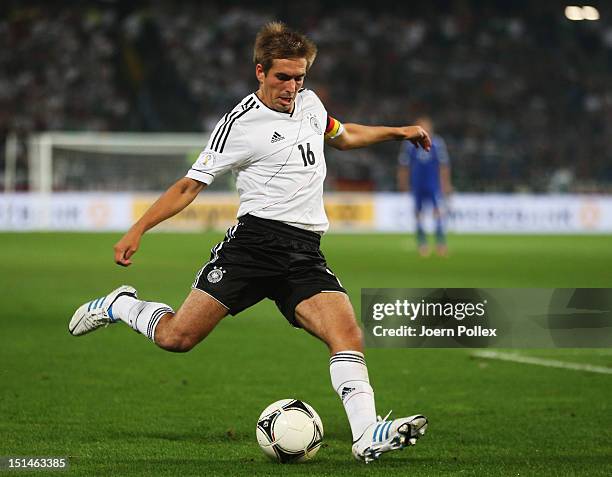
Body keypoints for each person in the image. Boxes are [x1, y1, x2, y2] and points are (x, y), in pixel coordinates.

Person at [69, 22, 430, 463]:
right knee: (178, 338)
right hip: (253, 246)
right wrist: (138, 229)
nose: (292, 87)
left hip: (304, 252)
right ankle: (119, 305)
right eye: (283, 77)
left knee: (347, 333)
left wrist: (400, 132)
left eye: (300, 77)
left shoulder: (311, 105)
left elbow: (343, 135)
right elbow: (189, 186)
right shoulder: (238, 124)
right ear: (260, 71)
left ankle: (366, 434)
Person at [397, 116, 452, 256]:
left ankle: (440, 243)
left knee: (438, 212)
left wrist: (445, 184)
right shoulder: (409, 144)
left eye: (426, 126)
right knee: (418, 214)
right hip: (417, 184)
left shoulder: (437, 143)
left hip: (433, 184)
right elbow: (404, 166)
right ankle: (422, 244)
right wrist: (403, 183)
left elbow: (444, 166)